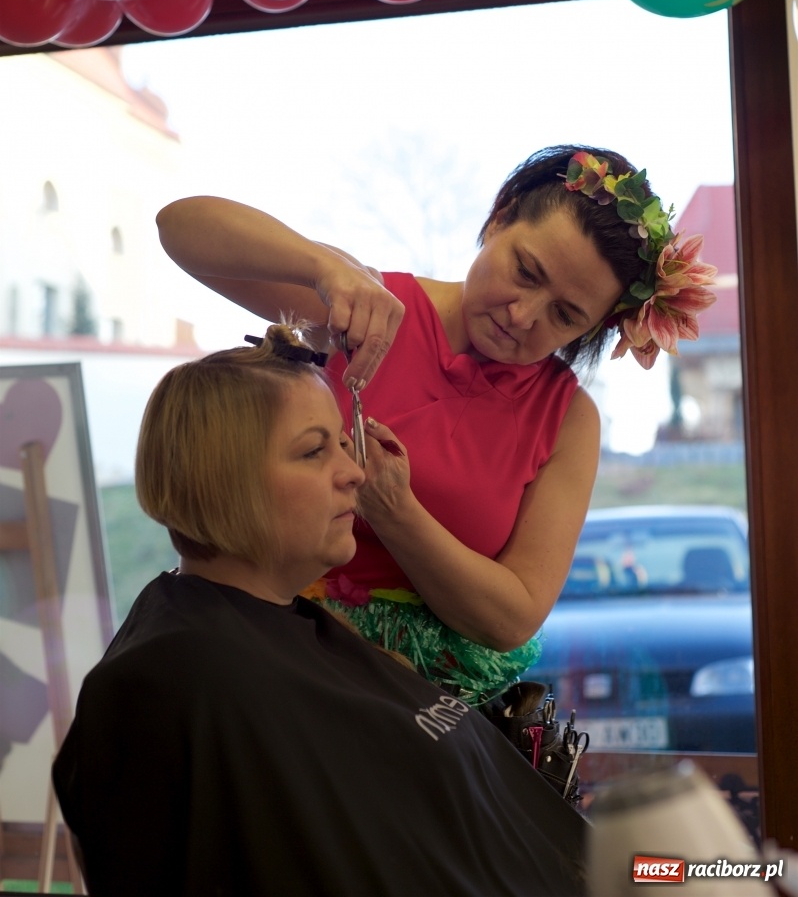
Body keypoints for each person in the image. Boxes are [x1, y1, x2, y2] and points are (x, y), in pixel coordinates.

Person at [155, 146, 716, 702]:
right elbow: (179, 227)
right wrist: (323, 268)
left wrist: (397, 513)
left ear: (591, 330)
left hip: (440, 707)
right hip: (285, 656)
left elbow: (512, 617)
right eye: (525, 271)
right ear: (499, 219)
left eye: (565, 315)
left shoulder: (567, 418)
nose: (522, 315)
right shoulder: (368, 308)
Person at [52, 330, 589, 897]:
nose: (356, 472)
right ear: (223, 481)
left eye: (341, 442)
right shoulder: (174, 680)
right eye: (314, 450)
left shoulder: (301, 631)